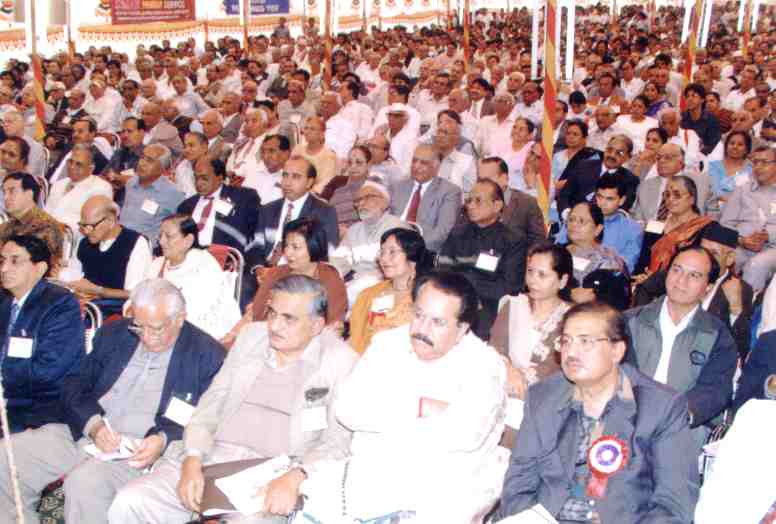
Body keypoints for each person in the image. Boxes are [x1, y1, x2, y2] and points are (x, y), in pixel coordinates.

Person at [108, 274, 358, 524]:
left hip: (273, 475)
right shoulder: (251, 337)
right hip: (211, 457)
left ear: (316, 325)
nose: (274, 326)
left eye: (288, 319)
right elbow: (210, 405)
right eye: (271, 313)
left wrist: (297, 475)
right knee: (131, 502)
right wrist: (192, 459)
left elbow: (338, 442)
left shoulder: (339, 362)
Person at [0, 279, 226, 524]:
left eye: (156, 329)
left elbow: (205, 419)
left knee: (85, 484)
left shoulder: (206, 355)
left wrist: (161, 440)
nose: (146, 338)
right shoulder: (115, 333)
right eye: (139, 326)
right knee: (7, 456)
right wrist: (94, 426)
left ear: (179, 319)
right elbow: (74, 384)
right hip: (86, 432)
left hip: (139, 452)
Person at [300, 271, 507, 522]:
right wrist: (421, 406)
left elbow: (465, 435)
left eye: (438, 322)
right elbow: (347, 410)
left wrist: (385, 407)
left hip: (442, 486)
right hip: (370, 473)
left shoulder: (484, 365)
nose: (421, 329)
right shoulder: (387, 344)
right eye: (418, 315)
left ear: (463, 328)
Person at [495, 301, 699, 523]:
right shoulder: (542, 398)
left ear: (617, 351)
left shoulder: (661, 407)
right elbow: (518, 484)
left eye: (585, 341)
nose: (571, 352)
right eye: (565, 341)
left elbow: (673, 505)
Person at [625, 246, 738, 446]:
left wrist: (675, 415)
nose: (681, 280)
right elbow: (619, 374)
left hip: (683, 428)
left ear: (709, 287)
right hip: (628, 419)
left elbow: (715, 390)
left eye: (694, 275)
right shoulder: (630, 321)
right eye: (676, 270)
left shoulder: (718, 335)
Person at [0, 234, 84, 433]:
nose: (4, 269)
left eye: (15, 261)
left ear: (39, 269)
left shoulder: (61, 305)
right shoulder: (4, 301)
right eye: (2, 260)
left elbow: (48, 372)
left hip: (36, 409)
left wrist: (2, 382)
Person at [634, 222, 754, 359]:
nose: (706, 257)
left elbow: (742, 347)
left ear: (730, 258)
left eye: (714, 253)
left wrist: (736, 309)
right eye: (703, 249)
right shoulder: (678, 271)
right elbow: (644, 289)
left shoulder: (741, 289)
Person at [438, 179, 528, 338]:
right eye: (469, 200)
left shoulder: (513, 240)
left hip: (489, 306)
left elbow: (511, 287)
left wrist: (467, 281)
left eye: (478, 201)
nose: (470, 206)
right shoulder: (458, 232)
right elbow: (442, 268)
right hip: (453, 298)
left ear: (497, 205)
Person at [489, 243, 573, 399]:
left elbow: (555, 367)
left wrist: (522, 383)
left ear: (562, 280)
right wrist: (509, 371)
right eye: (530, 271)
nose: (533, 281)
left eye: (542, 275)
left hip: (546, 394)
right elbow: (496, 346)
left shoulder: (572, 317)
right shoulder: (514, 304)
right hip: (503, 381)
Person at [176, 156, 262, 307]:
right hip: (191, 260)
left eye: (204, 178)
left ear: (220, 177)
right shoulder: (186, 205)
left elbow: (253, 232)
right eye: (196, 178)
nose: (198, 183)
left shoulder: (244, 197)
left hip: (227, 261)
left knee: (245, 291)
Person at [143, 214, 241, 340]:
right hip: (158, 327)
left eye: (168, 236)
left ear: (188, 240)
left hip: (201, 334)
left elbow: (194, 314)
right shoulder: (157, 264)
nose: (161, 241)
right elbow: (138, 297)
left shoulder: (204, 264)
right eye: (160, 235)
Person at [66, 195, 153, 316]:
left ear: (111, 221)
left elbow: (135, 293)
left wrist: (99, 291)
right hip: (84, 303)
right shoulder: (85, 242)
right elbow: (75, 275)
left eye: (91, 226)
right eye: (82, 225)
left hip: (113, 310)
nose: (86, 231)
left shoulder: (135, 243)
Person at [348, 227, 430, 355]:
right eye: (382, 252)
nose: (384, 259)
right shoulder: (369, 295)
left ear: (412, 259)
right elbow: (355, 339)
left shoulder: (426, 297)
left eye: (392, 252)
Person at [330, 177, 409, 304]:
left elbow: (394, 269)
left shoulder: (397, 227)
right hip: (355, 285)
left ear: (384, 202)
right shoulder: (354, 230)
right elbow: (339, 260)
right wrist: (330, 277)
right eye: (358, 200)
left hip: (384, 285)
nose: (361, 203)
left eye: (368, 197)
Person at [250, 156, 339, 269]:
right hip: (264, 269)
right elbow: (256, 245)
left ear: (309, 182)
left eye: (296, 177)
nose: (287, 183)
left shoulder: (324, 212)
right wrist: (258, 269)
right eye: (285, 175)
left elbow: (328, 254)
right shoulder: (268, 209)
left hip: (300, 273)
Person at [720, 144, 776, 293]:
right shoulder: (742, 190)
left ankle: (743, 313)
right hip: (741, 245)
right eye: (755, 162)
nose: (758, 167)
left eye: (764, 162)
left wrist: (767, 235)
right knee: (722, 258)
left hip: (772, 248)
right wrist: (741, 240)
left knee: (757, 265)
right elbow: (725, 225)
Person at [389, 144, 462, 252]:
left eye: (423, 163)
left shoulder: (449, 192)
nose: (416, 166)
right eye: (414, 161)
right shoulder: (397, 187)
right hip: (389, 245)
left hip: (422, 250)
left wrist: (410, 250)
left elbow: (441, 233)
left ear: (436, 166)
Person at [637, 175, 714, 275]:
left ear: (692, 199)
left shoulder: (703, 228)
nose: (670, 199)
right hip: (646, 283)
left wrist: (654, 281)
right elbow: (642, 262)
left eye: (677, 195)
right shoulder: (655, 225)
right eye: (667, 195)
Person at [118, 143, 184, 245]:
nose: (142, 163)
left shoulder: (173, 193)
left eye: (149, 160)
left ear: (162, 168)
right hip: (120, 242)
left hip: (146, 249)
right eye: (142, 157)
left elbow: (180, 227)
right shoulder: (131, 183)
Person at [0, 172, 65, 274]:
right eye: (4, 192)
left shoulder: (46, 226)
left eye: (12, 191)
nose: (5, 197)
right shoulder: (8, 225)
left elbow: (39, 270)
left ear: (29, 194)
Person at [563, 201, 628, 301]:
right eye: (571, 219)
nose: (574, 224)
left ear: (598, 229)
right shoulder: (556, 253)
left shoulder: (610, 262)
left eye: (582, 221)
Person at [476, 156, 546, 246]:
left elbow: (539, 242)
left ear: (504, 178)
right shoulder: (472, 203)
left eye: (487, 179)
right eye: (480, 180)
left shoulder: (527, 203)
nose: (482, 184)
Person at [44, 143, 113, 234]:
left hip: (73, 240)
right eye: (70, 162)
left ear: (91, 168)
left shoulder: (101, 188)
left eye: (78, 164)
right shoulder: (59, 184)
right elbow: (46, 213)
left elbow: (94, 228)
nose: (72, 167)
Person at [553, 119, 603, 219]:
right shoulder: (558, 155)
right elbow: (551, 179)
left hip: (577, 200)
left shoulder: (591, 156)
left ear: (585, 138)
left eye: (575, 134)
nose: (570, 137)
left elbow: (586, 181)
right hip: (553, 197)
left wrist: (562, 185)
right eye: (568, 133)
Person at [705, 131, 753, 218]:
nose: (735, 147)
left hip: (740, 214)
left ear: (746, 149)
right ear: (726, 146)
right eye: (732, 143)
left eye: (740, 144)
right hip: (712, 211)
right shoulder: (713, 166)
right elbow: (713, 191)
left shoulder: (751, 170)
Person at [323, 145, 372, 221]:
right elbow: (322, 204)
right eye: (350, 162)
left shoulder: (373, 189)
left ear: (368, 165)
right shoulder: (337, 181)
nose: (353, 166)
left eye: (358, 162)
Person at [292, 116, 338, 194]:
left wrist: (307, 194)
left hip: (313, 195)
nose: (307, 131)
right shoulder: (298, 149)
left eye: (312, 129)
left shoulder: (329, 155)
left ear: (321, 133)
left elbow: (325, 182)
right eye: (306, 128)